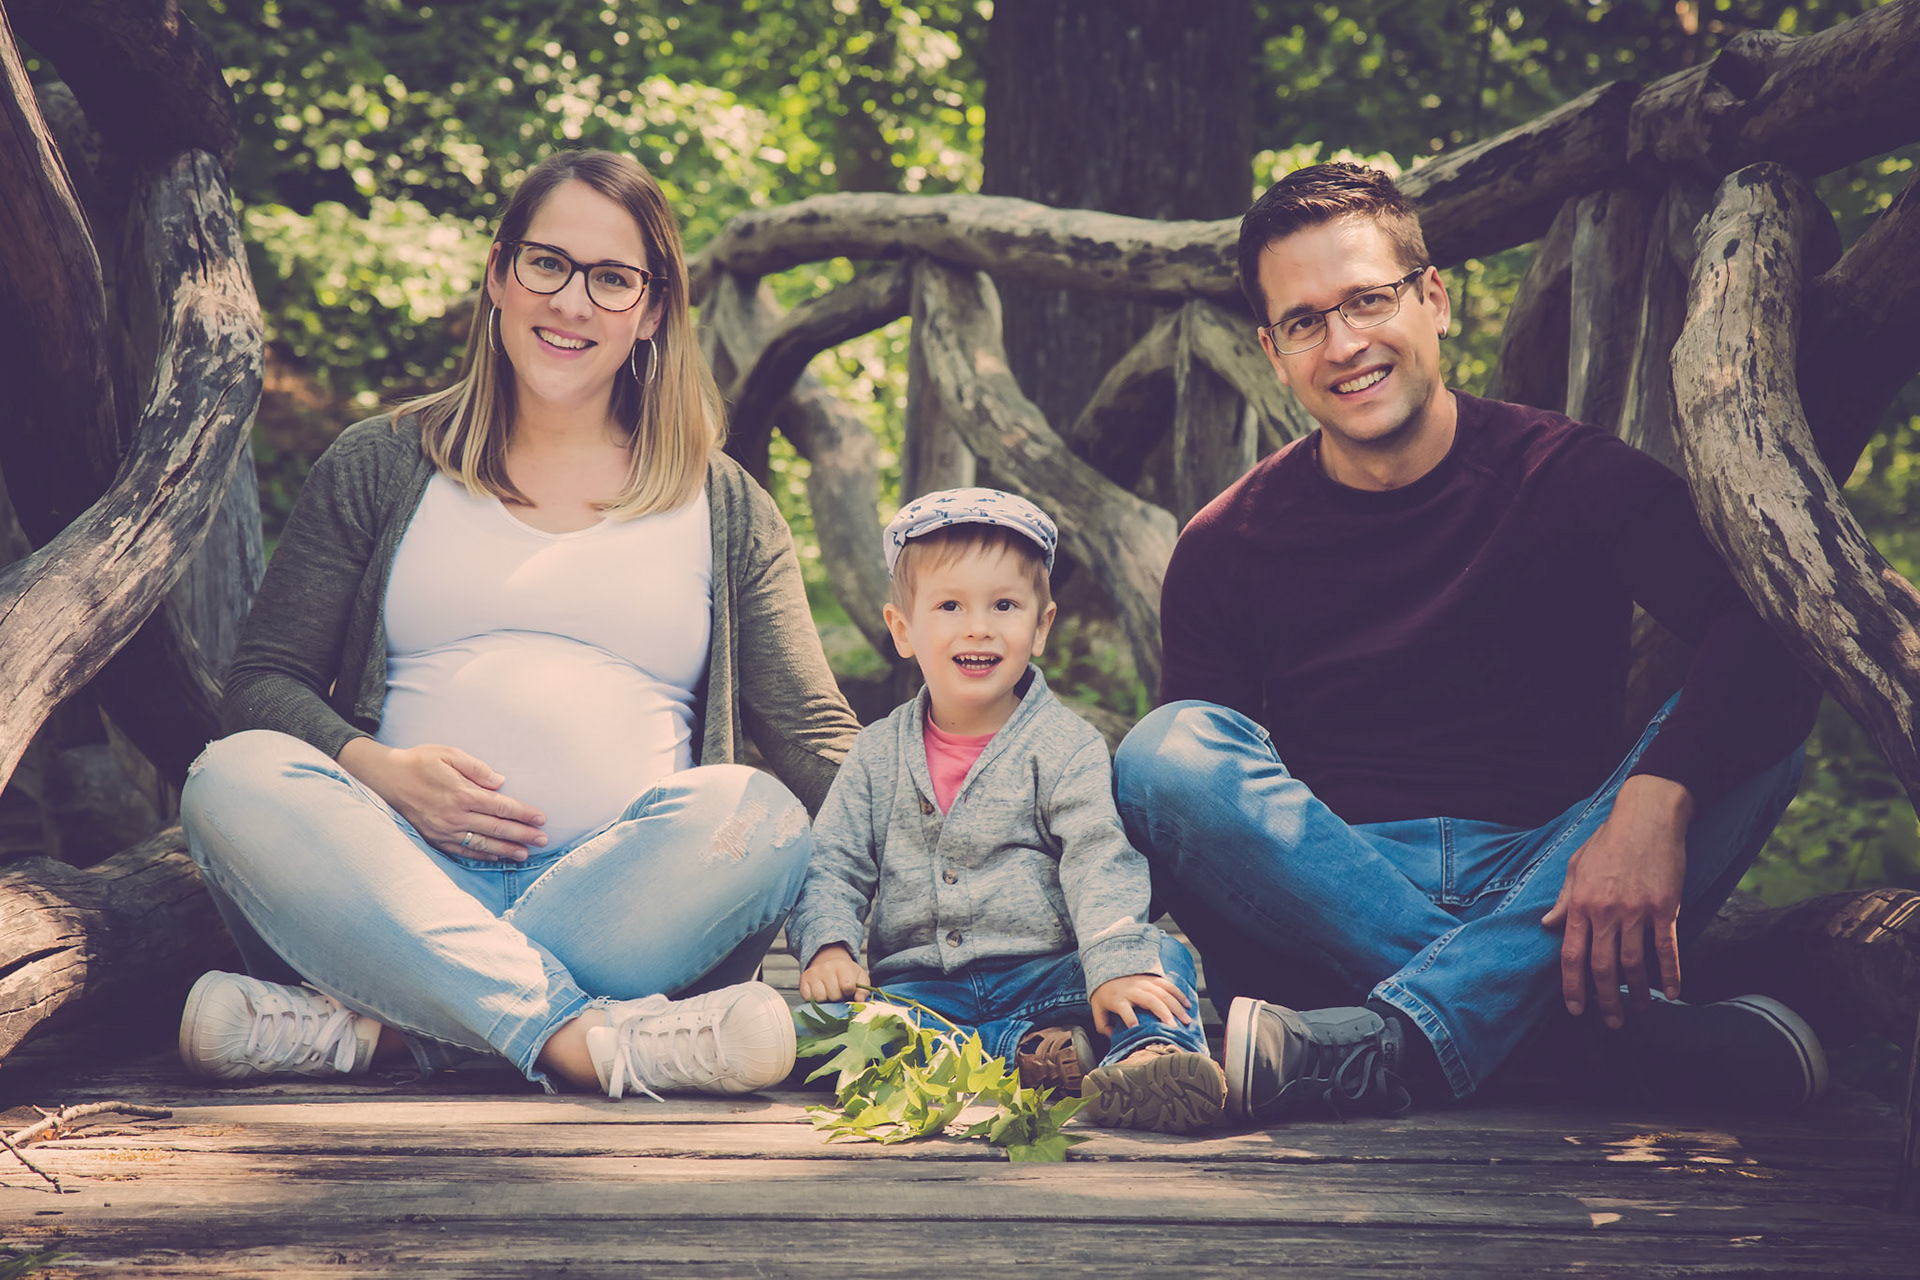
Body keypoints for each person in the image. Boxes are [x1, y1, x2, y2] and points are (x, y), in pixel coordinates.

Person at [1114, 162, 1828, 1125]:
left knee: (1755, 736)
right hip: (1336, 884)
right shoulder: (1225, 544)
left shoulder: (1567, 475)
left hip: (1563, 879)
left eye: (1368, 300)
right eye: (1306, 322)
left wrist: (1653, 803)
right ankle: (1585, 1043)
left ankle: (1400, 1039)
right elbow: (1210, 841)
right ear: (1274, 352)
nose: (1345, 343)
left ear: (1435, 299)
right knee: (1165, 751)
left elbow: (1772, 634)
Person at [176, 149, 860, 1100]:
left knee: (764, 815)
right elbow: (261, 686)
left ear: (653, 310)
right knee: (232, 776)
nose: (572, 302)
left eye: (612, 278)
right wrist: (378, 769)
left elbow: (816, 739)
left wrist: (966, 852)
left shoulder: (722, 501)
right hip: (395, 887)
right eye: (548, 264)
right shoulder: (382, 462)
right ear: (500, 273)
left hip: (629, 906)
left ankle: (390, 1033)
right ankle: (585, 1040)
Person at [787, 490, 1226, 1133]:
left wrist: (1113, 966)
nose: (979, 627)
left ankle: (1149, 1058)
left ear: (1040, 627)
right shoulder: (877, 752)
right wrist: (828, 946)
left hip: (1048, 979)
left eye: (1004, 605)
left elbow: (1098, 858)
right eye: (950, 606)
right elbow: (834, 862)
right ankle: (1030, 1057)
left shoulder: (1064, 745)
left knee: (1157, 960)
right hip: (921, 995)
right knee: (818, 1031)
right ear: (903, 630)